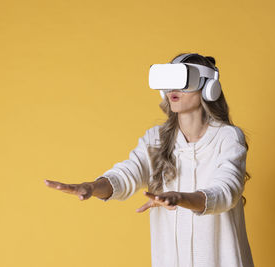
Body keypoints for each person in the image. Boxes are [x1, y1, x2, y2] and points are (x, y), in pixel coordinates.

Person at [44, 53, 255, 267]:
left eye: (183, 80)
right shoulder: (155, 139)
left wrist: (180, 197)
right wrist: (91, 186)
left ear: (209, 87)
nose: (174, 88)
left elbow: (226, 191)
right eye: (169, 80)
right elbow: (126, 175)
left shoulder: (227, 138)